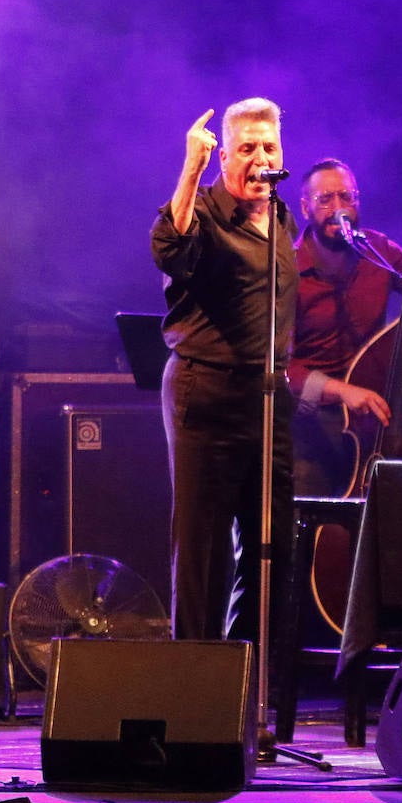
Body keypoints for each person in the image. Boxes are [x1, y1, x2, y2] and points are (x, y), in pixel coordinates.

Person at [150, 98, 298, 644]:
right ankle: (196, 690)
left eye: (270, 147)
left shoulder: (282, 214)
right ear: (223, 158)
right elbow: (169, 248)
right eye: (247, 148)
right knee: (204, 550)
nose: (260, 159)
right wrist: (189, 168)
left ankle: (247, 676)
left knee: (273, 544)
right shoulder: (205, 210)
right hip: (205, 393)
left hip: (266, 400)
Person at [287, 157, 402, 496]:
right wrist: (344, 391)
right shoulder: (288, 269)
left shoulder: (376, 249)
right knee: (313, 520)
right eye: (324, 200)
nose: (337, 208)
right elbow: (281, 368)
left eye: (346, 197)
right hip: (313, 423)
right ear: (305, 208)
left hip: (374, 417)